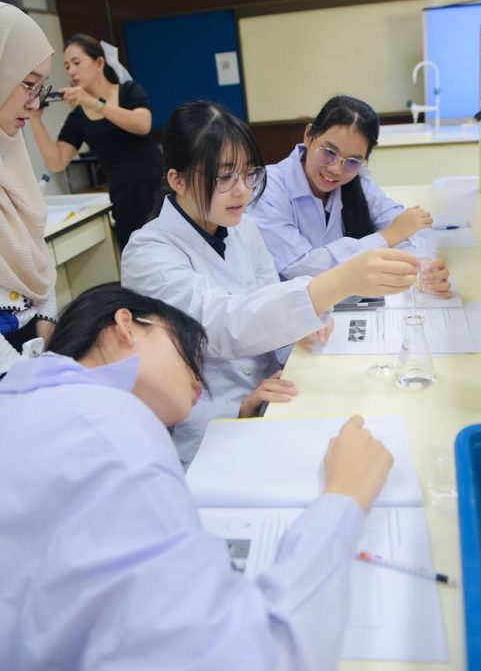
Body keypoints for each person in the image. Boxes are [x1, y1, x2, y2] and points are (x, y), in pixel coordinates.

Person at [0, 282, 394, 671]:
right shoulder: (109, 428)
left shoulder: (31, 405)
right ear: (125, 326)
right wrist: (344, 498)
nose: (198, 379)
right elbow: (257, 657)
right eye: (186, 352)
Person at [121, 100, 418, 465]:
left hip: (271, 393)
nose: (243, 191)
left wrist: (299, 327)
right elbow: (220, 324)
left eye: (249, 174)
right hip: (213, 426)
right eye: (224, 178)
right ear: (176, 179)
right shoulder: (148, 252)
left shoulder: (240, 226)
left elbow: (266, 295)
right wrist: (336, 283)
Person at [252, 95, 451, 296]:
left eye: (353, 161)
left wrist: (423, 268)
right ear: (308, 135)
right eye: (329, 151)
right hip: (296, 307)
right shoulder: (268, 188)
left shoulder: (359, 180)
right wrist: (388, 236)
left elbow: (412, 229)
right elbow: (300, 267)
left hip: (351, 303)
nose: (336, 169)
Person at [29, 34, 163, 250]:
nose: (71, 71)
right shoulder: (78, 117)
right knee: (137, 261)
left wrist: (93, 103)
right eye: (67, 66)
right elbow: (57, 161)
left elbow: (142, 124)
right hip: (125, 201)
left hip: (158, 192)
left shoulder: (128, 90)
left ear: (99, 63)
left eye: (76, 63)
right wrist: (35, 120)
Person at [0, 2, 57, 355]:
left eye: (41, 89)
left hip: (31, 347)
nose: (35, 104)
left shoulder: (11, 151)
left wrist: (46, 325)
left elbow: (36, 251)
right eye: (29, 85)